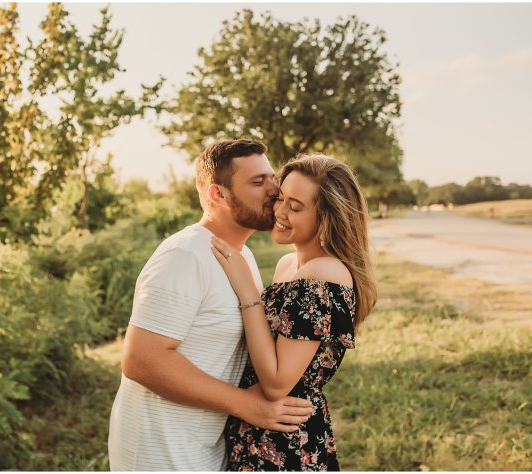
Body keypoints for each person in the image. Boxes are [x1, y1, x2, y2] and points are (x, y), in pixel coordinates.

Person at [108, 140, 314, 471]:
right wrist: (248, 406)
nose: (274, 191)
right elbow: (140, 359)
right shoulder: (185, 255)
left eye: (272, 178)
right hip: (159, 453)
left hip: (204, 447)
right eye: (258, 182)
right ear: (218, 194)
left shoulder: (241, 255)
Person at [210, 154, 377, 471]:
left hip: (285, 441)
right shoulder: (288, 265)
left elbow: (276, 384)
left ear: (326, 218)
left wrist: (248, 292)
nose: (279, 212)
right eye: (281, 198)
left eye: (296, 207)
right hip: (256, 428)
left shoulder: (323, 275)